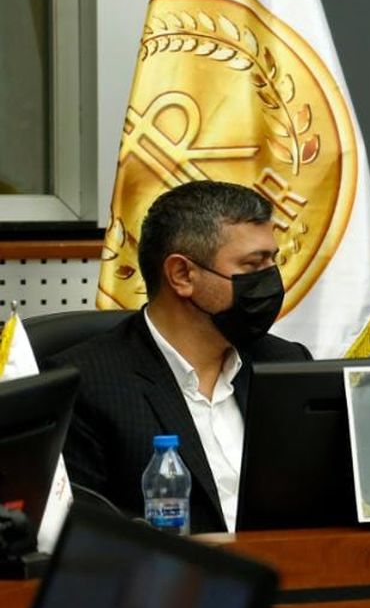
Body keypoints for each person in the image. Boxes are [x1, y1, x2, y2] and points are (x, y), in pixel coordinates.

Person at [47, 181, 310, 533]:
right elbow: (84, 536)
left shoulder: (285, 364)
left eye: (272, 261)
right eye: (252, 265)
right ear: (182, 275)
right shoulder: (85, 385)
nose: (270, 281)